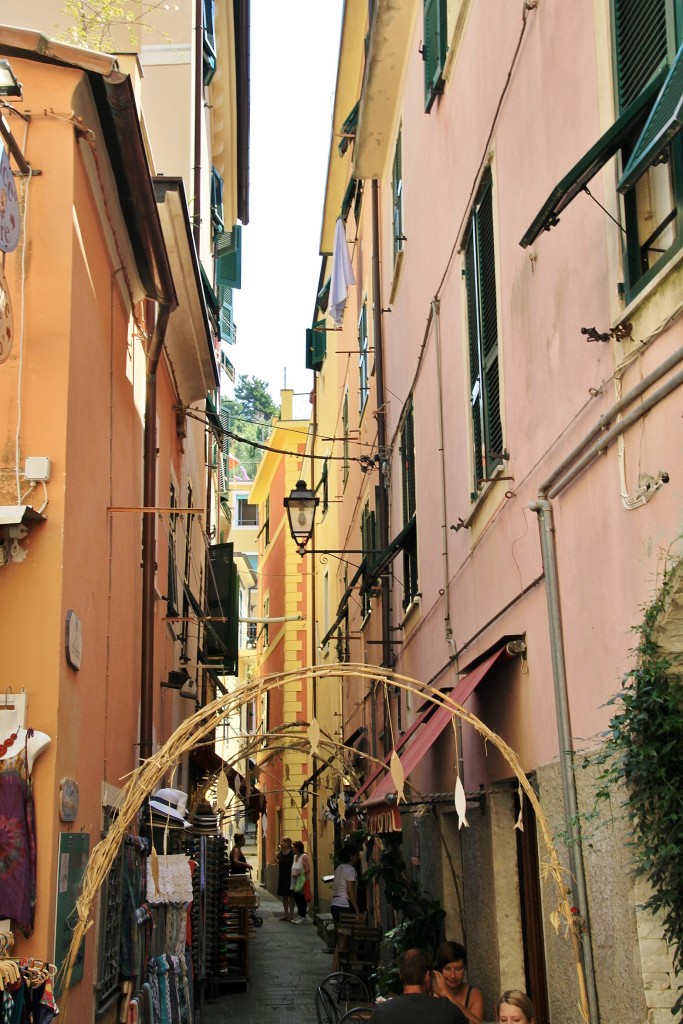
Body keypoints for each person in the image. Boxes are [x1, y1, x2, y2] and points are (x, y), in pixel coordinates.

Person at [369, 948, 467, 1023]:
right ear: (428, 976)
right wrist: (447, 994)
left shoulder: (381, 1014)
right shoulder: (449, 1011)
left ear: (401, 975)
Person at [432, 941, 483, 1023]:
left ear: (465, 969)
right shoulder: (429, 995)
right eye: (447, 969)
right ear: (440, 970)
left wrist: (448, 995)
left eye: (458, 969)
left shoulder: (474, 995)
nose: (453, 976)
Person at [330, 843, 360, 922]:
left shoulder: (339, 868)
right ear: (352, 856)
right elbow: (350, 890)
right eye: (356, 854)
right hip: (344, 905)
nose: (358, 856)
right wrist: (356, 909)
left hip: (334, 904)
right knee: (349, 930)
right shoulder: (350, 870)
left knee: (340, 930)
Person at [290, 840, 310, 923]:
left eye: (294, 847)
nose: (292, 849)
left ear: (298, 849)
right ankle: (299, 915)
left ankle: (303, 916)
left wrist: (298, 874)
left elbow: (308, 869)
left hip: (301, 880)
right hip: (294, 881)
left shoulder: (304, 856)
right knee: (296, 898)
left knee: (302, 899)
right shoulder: (295, 857)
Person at [275, 836, 294, 921]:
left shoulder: (292, 852)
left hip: (290, 875)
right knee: (284, 896)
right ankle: (286, 914)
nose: (281, 843)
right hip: (282, 875)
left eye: (283, 842)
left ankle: (291, 914)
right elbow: (276, 858)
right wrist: (279, 862)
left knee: (291, 895)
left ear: (288, 843)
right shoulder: (281, 852)